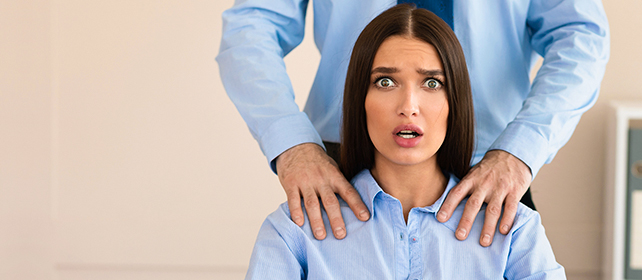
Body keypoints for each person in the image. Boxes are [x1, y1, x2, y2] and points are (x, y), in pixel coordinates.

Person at [217, 0, 609, 246]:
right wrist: (290, 144)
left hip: (491, 169)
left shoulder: (520, 236)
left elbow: (580, 35)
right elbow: (252, 24)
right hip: (344, 165)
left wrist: (521, 149)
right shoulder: (284, 238)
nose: (411, 105)